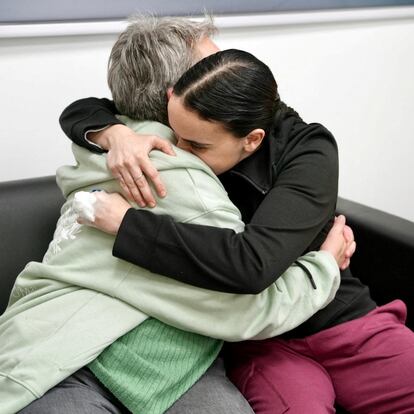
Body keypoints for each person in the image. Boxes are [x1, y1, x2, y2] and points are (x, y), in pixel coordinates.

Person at [61, 20, 414, 414]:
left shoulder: (301, 146)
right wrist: (114, 134)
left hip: (341, 317)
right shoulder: (170, 135)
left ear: (251, 139)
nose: (222, 68)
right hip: (258, 339)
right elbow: (82, 110)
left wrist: (127, 224)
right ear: (171, 96)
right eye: (208, 64)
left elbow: (252, 264)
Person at [0, 17, 349, 414]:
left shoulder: (111, 141)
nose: (220, 74)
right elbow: (244, 302)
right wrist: (324, 266)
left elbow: (85, 110)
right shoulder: (175, 174)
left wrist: (111, 135)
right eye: (207, 67)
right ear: (178, 92)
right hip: (81, 352)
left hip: (97, 343)